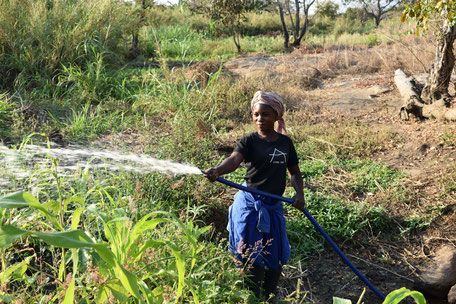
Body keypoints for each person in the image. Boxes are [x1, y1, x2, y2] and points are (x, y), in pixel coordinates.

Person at [204, 91, 305, 302]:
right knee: (250, 252)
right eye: (256, 114)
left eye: (265, 114)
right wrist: (217, 171)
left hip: (273, 205)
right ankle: (252, 296)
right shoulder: (249, 140)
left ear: (276, 116)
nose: (260, 119)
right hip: (250, 204)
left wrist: (299, 194)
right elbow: (233, 160)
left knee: (275, 254)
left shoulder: (285, 143)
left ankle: (269, 296)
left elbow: (294, 172)